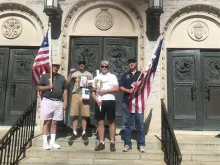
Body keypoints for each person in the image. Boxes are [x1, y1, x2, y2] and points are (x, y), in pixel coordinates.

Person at [38, 61, 68, 150]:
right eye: (54, 66)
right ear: (51, 67)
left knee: (55, 122)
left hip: (58, 102)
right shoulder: (45, 76)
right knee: (47, 122)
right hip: (48, 101)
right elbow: (38, 88)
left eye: (57, 66)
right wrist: (48, 87)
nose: (56, 67)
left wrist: (65, 101)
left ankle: (52, 141)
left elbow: (65, 90)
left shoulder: (62, 78)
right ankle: (45, 142)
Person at [119, 57, 146, 153]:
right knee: (127, 125)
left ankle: (141, 144)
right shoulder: (125, 75)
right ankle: (127, 144)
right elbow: (120, 87)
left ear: (136, 63)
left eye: (133, 62)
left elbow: (145, 86)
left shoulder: (141, 74)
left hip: (138, 103)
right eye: (129, 62)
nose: (131, 63)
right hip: (127, 102)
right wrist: (128, 90)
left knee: (140, 124)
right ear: (128, 64)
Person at [92, 60, 119, 152]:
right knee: (100, 122)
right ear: (100, 67)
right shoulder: (97, 78)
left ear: (108, 67)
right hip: (100, 102)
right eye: (102, 66)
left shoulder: (112, 76)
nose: (104, 68)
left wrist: (105, 91)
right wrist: (96, 100)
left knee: (111, 121)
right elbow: (93, 91)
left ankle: (112, 142)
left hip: (110, 100)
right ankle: (101, 142)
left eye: (106, 67)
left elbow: (116, 88)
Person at [67, 58, 93, 145]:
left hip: (85, 94)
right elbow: (67, 82)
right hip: (76, 94)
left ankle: (84, 132)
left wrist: (89, 84)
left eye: (83, 63)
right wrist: (70, 73)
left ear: (85, 64)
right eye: (80, 63)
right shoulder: (74, 73)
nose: (81, 64)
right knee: (75, 114)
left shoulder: (89, 74)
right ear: (78, 65)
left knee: (84, 115)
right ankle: (74, 132)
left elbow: (93, 84)